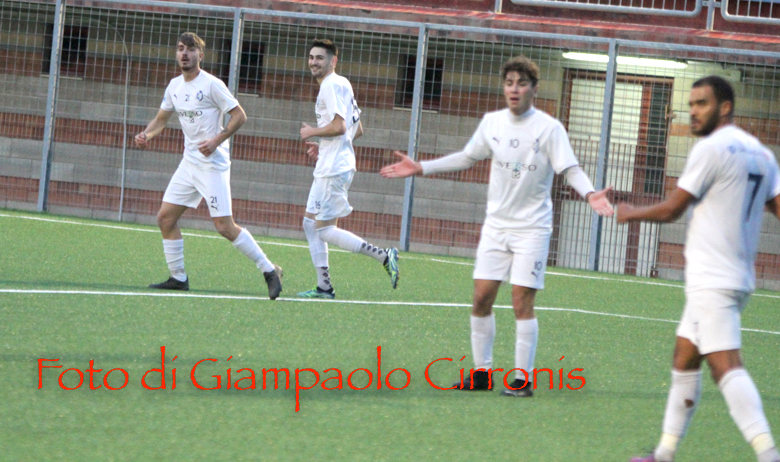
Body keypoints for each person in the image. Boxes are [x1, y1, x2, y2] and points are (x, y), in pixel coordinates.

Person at [381, 56, 613, 395]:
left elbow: (570, 169)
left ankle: (523, 380)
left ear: (534, 89)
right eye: (509, 83)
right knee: (481, 298)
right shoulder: (492, 122)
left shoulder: (550, 129)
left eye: (521, 83)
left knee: (521, 302)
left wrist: (590, 194)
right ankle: (482, 375)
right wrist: (421, 167)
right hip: (496, 227)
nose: (514, 89)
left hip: (532, 229)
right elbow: (467, 157)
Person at [619, 76, 780, 462]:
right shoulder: (761, 154)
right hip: (735, 278)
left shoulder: (711, 149)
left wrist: (630, 212)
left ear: (725, 107)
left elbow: (673, 208)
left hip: (713, 280)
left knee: (726, 368)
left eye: (702, 103)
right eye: (691, 104)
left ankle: (769, 454)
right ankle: (664, 452)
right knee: (684, 358)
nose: (693, 111)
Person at [134, 32, 283, 300]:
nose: (184, 53)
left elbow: (240, 116)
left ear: (200, 55)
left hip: (213, 164)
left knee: (224, 226)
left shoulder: (212, 84)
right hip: (189, 163)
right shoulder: (174, 86)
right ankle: (178, 278)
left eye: (191, 49)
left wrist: (216, 141)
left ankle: (270, 270)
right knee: (165, 218)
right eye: (181, 48)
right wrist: (146, 135)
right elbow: (161, 119)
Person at [298, 38, 399, 299]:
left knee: (324, 229)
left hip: (334, 168)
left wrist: (313, 132)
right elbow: (358, 130)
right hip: (331, 163)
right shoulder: (342, 83)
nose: (313, 62)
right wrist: (324, 145)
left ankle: (383, 256)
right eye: (311, 57)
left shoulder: (330, 85)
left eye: (320, 58)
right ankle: (324, 286)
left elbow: (340, 127)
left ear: (333, 61)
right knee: (310, 223)